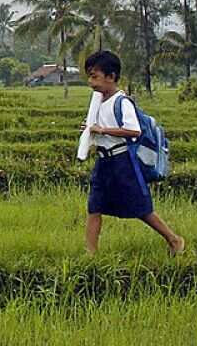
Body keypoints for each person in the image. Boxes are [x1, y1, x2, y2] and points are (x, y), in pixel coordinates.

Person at [82, 50, 185, 256]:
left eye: (95, 77)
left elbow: (134, 131)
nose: (91, 82)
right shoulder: (99, 103)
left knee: (140, 207)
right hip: (104, 161)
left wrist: (103, 130)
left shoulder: (122, 102)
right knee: (94, 207)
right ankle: (90, 254)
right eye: (89, 77)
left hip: (122, 162)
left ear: (111, 77)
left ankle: (174, 239)